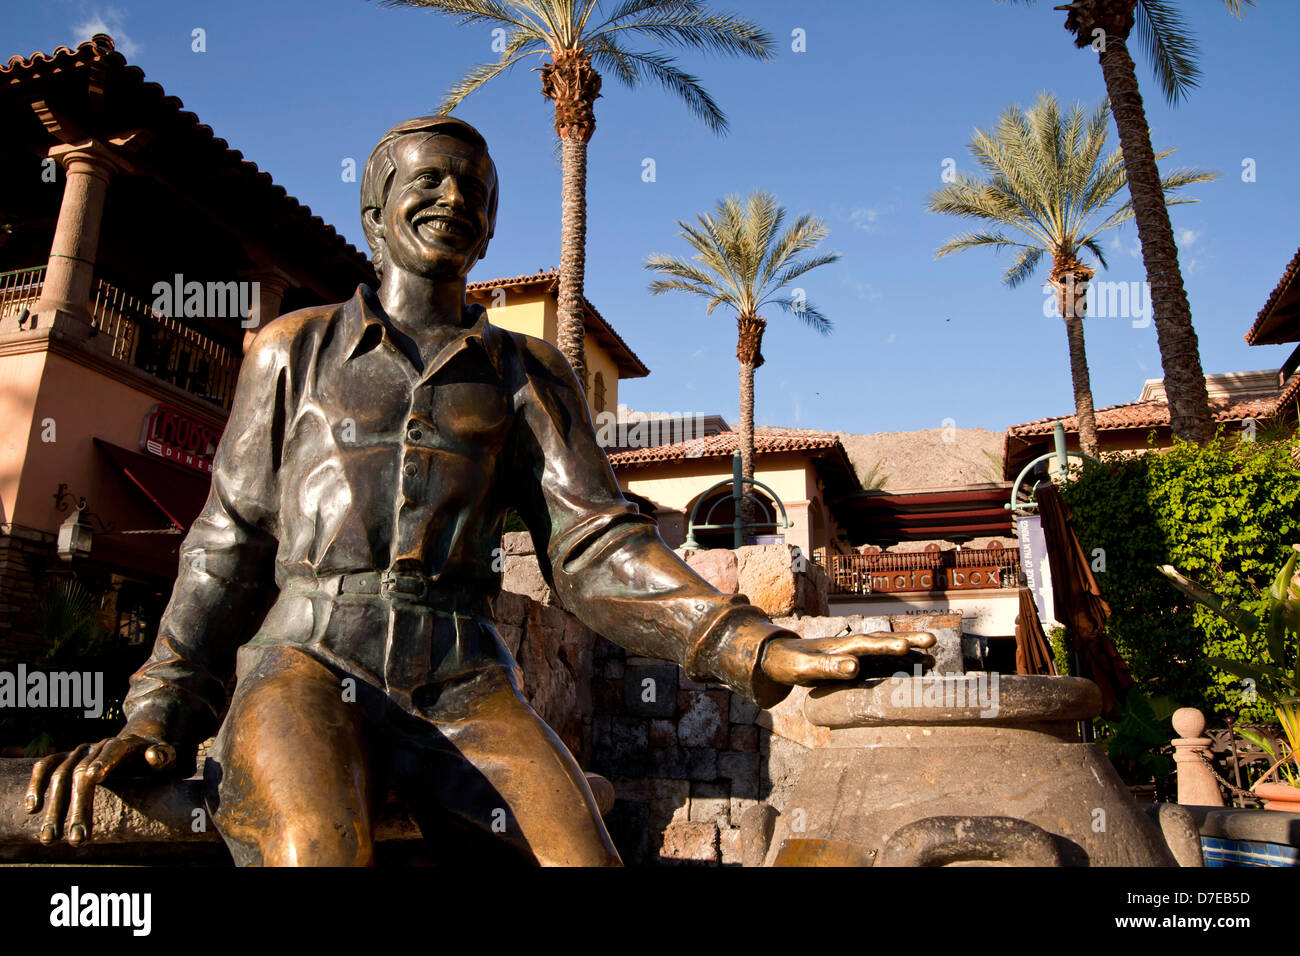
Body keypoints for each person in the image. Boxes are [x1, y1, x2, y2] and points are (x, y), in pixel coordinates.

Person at [25, 116, 931, 865]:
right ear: (376, 211)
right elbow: (226, 540)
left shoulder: (526, 372)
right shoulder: (289, 350)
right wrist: (157, 706)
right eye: (429, 181)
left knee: (581, 855)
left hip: (461, 677)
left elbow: (596, 547)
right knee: (314, 845)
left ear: (491, 228)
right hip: (304, 659)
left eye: (475, 190)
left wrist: (758, 649)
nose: (454, 199)